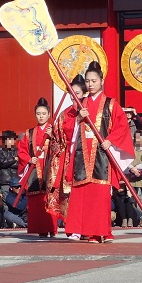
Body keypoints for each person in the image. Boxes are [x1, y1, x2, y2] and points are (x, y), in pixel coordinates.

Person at [67, 61, 135, 243]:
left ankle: (99, 231)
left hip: (101, 155)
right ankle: (84, 230)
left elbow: (122, 126)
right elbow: (68, 128)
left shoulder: (111, 104)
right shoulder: (81, 104)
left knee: (99, 196)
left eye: (94, 80)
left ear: (101, 81)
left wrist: (110, 140)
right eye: (88, 81)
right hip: (83, 153)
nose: (90, 84)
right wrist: (78, 119)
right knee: (83, 195)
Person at [46, 74, 87, 235]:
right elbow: (58, 138)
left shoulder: (89, 111)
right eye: (71, 92)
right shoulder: (64, 114)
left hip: (85, 157)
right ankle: (73, 227)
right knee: (69, 194)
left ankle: (86, 227)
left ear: (83, 93)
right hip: (69, 157)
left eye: (76, 93)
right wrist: (52, 136)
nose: (73, 96)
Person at [17, 97, 58, 237]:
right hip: (34, 168)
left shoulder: (53, 131)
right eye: (38, 113)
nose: (41, 116)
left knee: (48, 199)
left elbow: (59, 147)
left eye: (43, 113)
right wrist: (29, 159)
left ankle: (51, 228)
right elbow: (21, 150)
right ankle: (40, 228)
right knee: (36, 201)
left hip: (49, 167)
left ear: (49, 114)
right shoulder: (29, 133)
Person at [126, 130, 142, 227]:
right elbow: (127, 161)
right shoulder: (130, 149)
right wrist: (132, 168)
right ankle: (135, 217)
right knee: (133, 199)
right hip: (132, 175)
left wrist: (136, 168)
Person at [0, 130, 19, 199]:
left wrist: (8, 162)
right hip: (5, 180)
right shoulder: (0, 151)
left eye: (12, 139)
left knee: (16, 200)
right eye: (8, 139)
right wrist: (14, 159)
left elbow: (19, 164)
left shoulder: (17, 150)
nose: (10, 141)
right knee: (6, 200)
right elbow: (2, 163)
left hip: (16, 180)